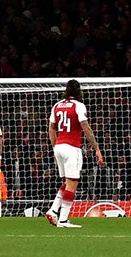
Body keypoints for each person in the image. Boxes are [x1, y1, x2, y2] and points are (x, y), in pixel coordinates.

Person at [46, 78, 105, 228]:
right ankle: (63, 219)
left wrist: (54, 147)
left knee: (68, 183)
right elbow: (85, 128)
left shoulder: (57, 106)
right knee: (73, 183)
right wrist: (96, 148)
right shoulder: (79, 106)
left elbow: (51, 128)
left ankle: (53, 211)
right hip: (72, 147)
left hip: (59, 146)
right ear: (79, 91)